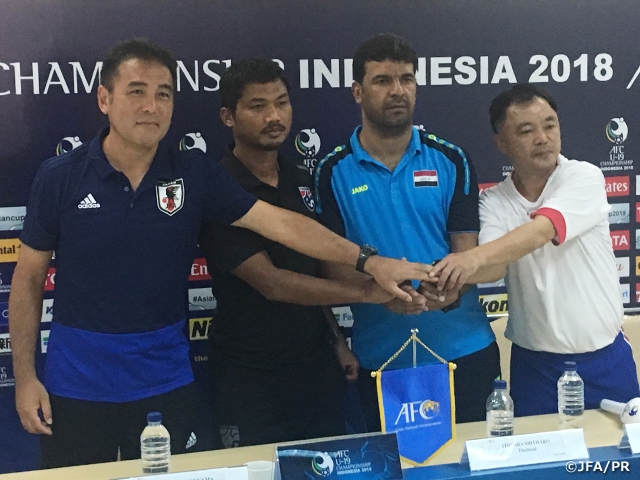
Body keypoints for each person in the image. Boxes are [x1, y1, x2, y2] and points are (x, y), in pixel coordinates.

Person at [8, 39, 432, 468]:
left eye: (164, 94)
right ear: (104, 98)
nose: (151, 106)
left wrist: (370, 262)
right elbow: (26, 281)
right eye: (136, 91)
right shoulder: (60, 177)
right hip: (77, 386)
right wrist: (26, 379)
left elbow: (283, 224)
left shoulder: (193, 173)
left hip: (166, 382)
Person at [199, 58, 395, 447]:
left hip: (315, 367)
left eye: (282, 102)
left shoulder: (303, 178)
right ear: (228, 116)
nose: (274, 116)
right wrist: (370, 292)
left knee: (324, 469)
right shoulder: (217, 188)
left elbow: (319, 269)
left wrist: (337, 340)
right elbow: (273, 283)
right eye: (258, 106)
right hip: (249, 374)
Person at [314, 33, 500, 430]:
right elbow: (333, 268)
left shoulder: (452, 159)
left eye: (407, 79)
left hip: (462, 349)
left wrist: (447, 290)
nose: (398, 91)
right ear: (357, 92)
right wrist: (383, 295)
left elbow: (467, 254)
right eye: (383, 81)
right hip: (383, 358)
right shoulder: (332, 171)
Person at [430, 83, 640, 416]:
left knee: (623, 465)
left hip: (607, 362)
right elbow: (493, 267)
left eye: (549, 125)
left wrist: (467, 258)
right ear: (501, 143)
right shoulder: (493, 201)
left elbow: (543, 229)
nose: (542, 138)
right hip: (536, 369)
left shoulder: (584, 176)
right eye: (526, 130)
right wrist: (443, 278)